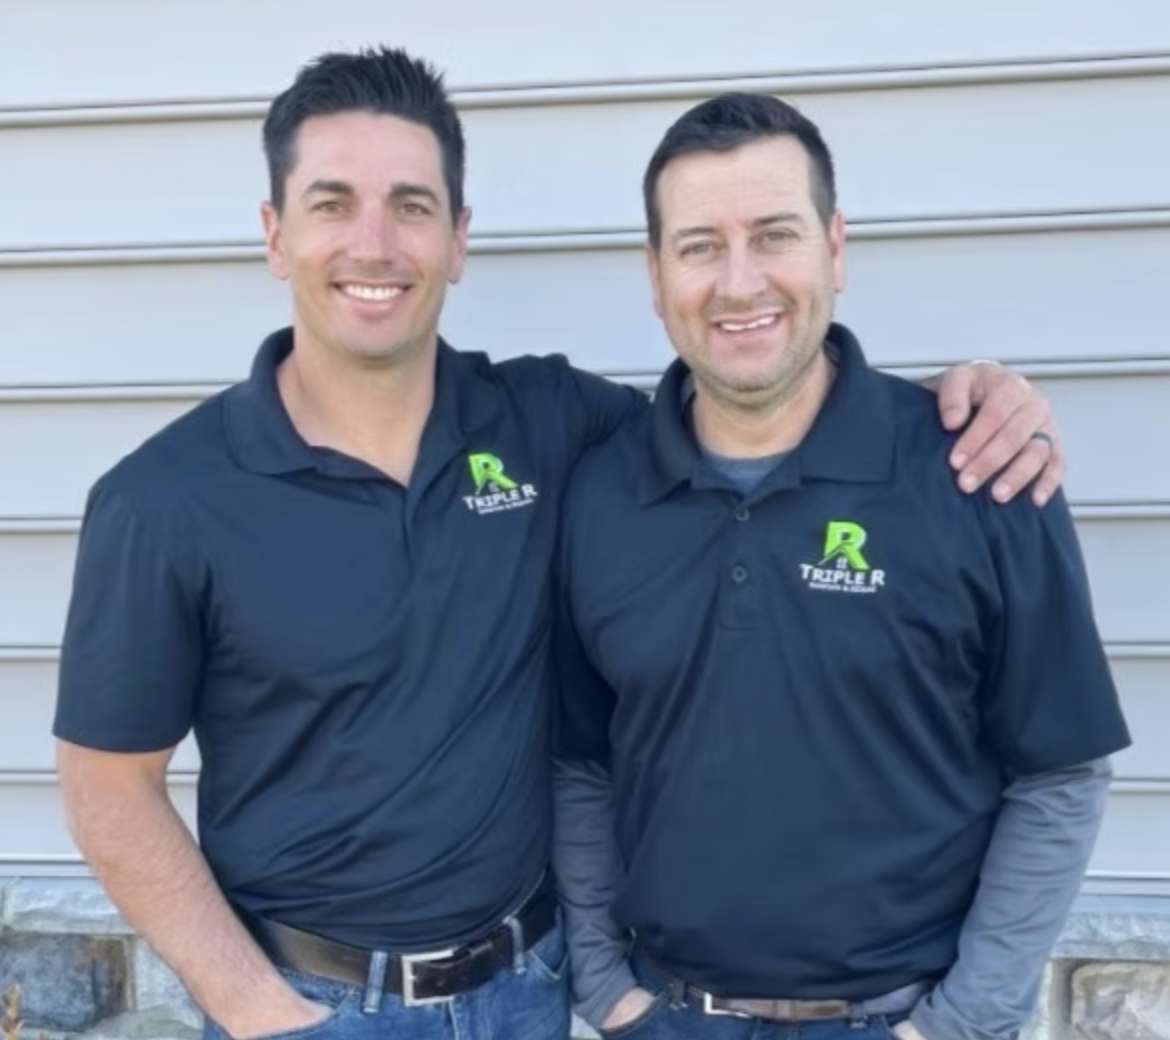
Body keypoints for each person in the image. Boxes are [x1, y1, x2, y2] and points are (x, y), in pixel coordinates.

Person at [53, 48, 1065, 1040]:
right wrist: (257, 1010)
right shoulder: (164, 500)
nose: (375, 244)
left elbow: (746, 403)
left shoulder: (550, 423)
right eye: (332, 203)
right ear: (276, 235)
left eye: (411, 205)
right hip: (311, 998)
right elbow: (108, 786)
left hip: (527, 989)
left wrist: (962, 407)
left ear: (458, 239)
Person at [552, 94, 1130, 1040]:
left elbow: (1059, 775)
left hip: (898, 1016)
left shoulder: (976, 470)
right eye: (699, 246)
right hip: (669, 1013)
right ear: (656, 277)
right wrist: (604, 987)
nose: (740, 282)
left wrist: (961, 1022)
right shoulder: (600, 493)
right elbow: (582, 764)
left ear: (834, 248)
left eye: (774, 235)